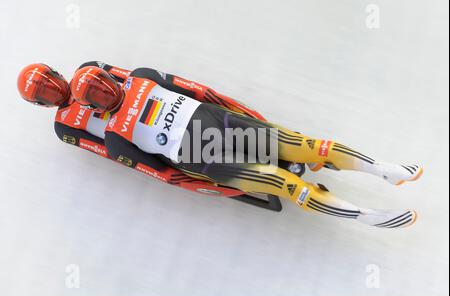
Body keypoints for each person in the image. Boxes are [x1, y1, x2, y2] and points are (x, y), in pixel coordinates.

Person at [18, 63, 423, 228]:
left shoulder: (139, 78)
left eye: (106, 88)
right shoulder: (113, 136)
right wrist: (208, 186)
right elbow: (160, 172)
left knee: (310, 145)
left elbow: (196, 89)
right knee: (286, 184)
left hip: (221, 123)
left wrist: (236, 109)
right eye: (47, 92)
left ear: (111, 82)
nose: (55, 90)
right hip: (203, 155)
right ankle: (370, 217)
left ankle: (381, 168)